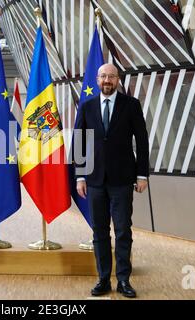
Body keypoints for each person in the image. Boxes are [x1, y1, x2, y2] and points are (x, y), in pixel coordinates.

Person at [75, 63, 149, 298]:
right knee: (99, 233)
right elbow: (80, 142)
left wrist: (142, 174)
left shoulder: (131, 105)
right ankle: (103, 279)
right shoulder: (86, 107)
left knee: (123, 231)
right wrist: (80, 176)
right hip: (94, 181)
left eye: (111, 77)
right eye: (103, 76)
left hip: (123, 180)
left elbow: (142, 141)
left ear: (118, 80)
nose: (107, 80)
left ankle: (124, 280)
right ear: (97, 80)